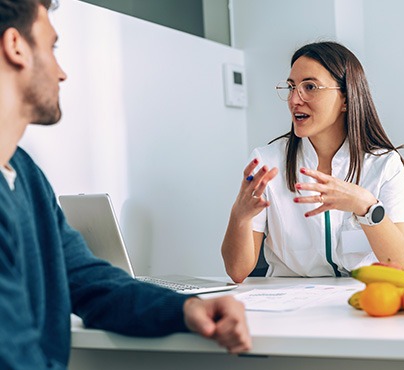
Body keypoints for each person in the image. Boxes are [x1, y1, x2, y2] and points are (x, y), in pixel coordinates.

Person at [0, 1, 251, 368]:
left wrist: (186, 308)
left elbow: (91, 282)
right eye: (52, 48)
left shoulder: (25, 175)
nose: (62, 72)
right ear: (15, 46)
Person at [222, 41, 404, 283]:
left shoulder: (385, 164)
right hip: (287, 304)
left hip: (364, 300)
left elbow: (403, 265)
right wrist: (239, 217)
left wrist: (365, 205)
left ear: (346, 98)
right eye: (292, 87)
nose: (294, 100)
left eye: (310, 87)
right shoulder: (267, 163)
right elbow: (237, 272)